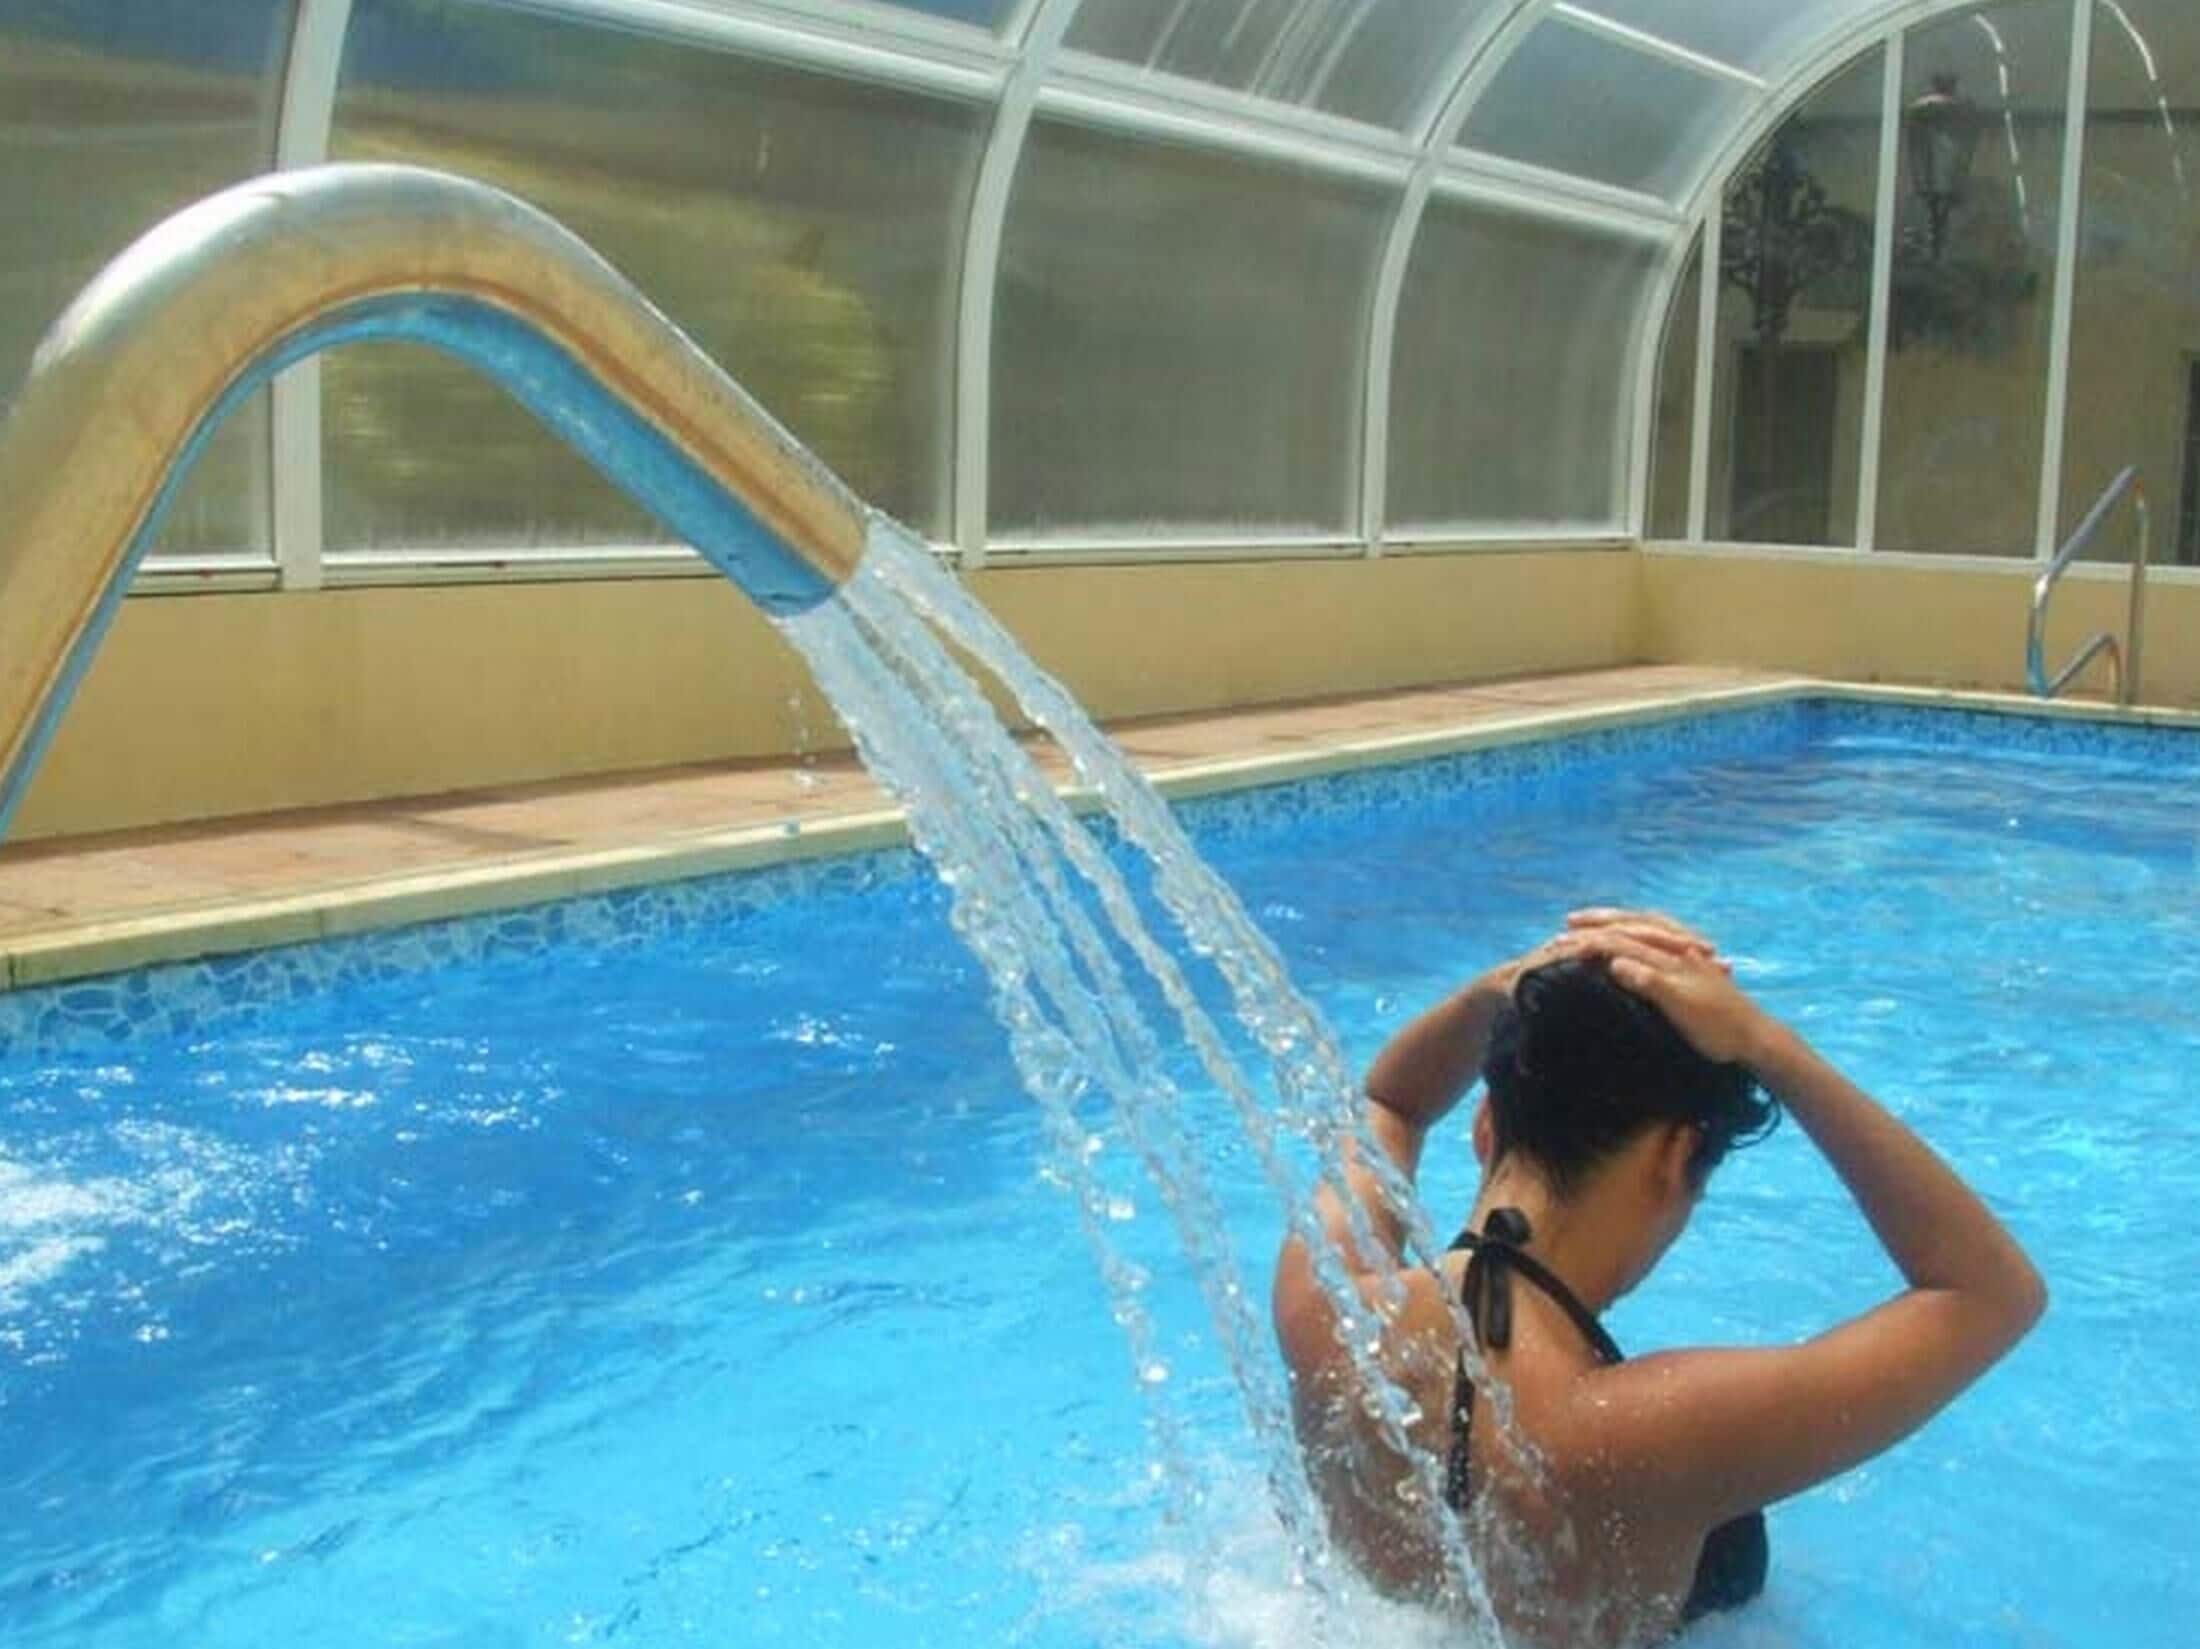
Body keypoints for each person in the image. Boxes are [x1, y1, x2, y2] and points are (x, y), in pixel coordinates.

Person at [1271, 908, 2045, 1647]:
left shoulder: (1329, 1313)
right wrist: (1769, 1045)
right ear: (1678, 1158)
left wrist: (1506, 989)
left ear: (1483, 1125)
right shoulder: (1659, 1429)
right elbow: (1988, 1291)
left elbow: (1391, 1101)